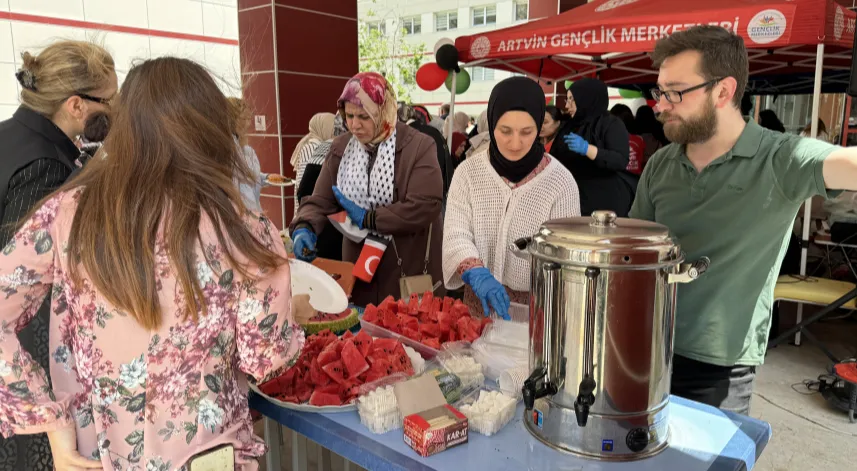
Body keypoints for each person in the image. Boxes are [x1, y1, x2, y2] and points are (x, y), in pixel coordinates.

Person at [0, 57, 309, 470]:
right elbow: (263, 359)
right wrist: (295, 319)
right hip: (207, 453)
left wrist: (52, 420)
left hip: (102, 453)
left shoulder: (67, 212)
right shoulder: (241, 227)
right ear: (210, 128)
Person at [631, 25, 857, 415]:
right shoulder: (661, 165)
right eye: (659, 91)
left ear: (723, 91)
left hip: (721, 367)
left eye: (675, 93)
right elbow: (633, 251)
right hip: (645, 349)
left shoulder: (780, 159)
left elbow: (845, 165)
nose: (660, 105)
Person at [0, 40, 117, 471]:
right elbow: (27, 295)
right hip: (26, 371)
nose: (115, 112)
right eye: (108, 101)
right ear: (75, 105)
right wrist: (53, 419)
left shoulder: (9, 138)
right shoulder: (45, 168)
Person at [290, 72, 444, 306]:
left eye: (364, 116)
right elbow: (320, 199)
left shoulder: (418, 146)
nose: (354, 125)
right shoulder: (341, 148)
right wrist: (305, 226)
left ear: (384, 112)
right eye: (349, 116)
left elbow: (426, 204)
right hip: (360, 275)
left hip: (406, 272)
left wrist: (370, 219)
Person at [443, 77, 580, 320]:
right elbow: (456, 233)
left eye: (527, 132)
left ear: (539, 126)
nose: (515, 143)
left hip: (536, 313)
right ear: (492, 124)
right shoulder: (468, 173)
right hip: (478, 306)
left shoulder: (561, 182)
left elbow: (566, 259)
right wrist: (476, 272)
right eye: (505, 131)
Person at [552, 78, 634, 216]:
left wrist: (588, 149)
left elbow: (620, 160)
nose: (567, 105)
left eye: (572, 99)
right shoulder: (570, 125)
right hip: (573, 197)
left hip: (604, 200)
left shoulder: (611, 123)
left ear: (586, 98)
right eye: (567, 99)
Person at [228, 97, 279, 212]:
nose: (248, 124)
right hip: (240, 211)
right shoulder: (228, 146)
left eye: (248, 119)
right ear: (233, 119)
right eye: (244, 119)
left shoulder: (244, 148)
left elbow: (248, 175)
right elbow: (242, 174)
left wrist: (266, 178)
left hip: (251, 209)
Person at [398, 103, 453, 200]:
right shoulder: (435, 132)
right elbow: (448, 165)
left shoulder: (405, 136)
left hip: (417, 200)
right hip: (441, 196)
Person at [291, 112, 336, 212]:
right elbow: (305, 185)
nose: (335, 133)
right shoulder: (312, 147)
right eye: (333, 129)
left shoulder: (317, 145)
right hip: (308, 212)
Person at [611, 103, 647, 175]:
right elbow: (643, 162)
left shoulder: (609, 139)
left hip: (617, 181)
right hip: (636, 181)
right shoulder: (639, 139)